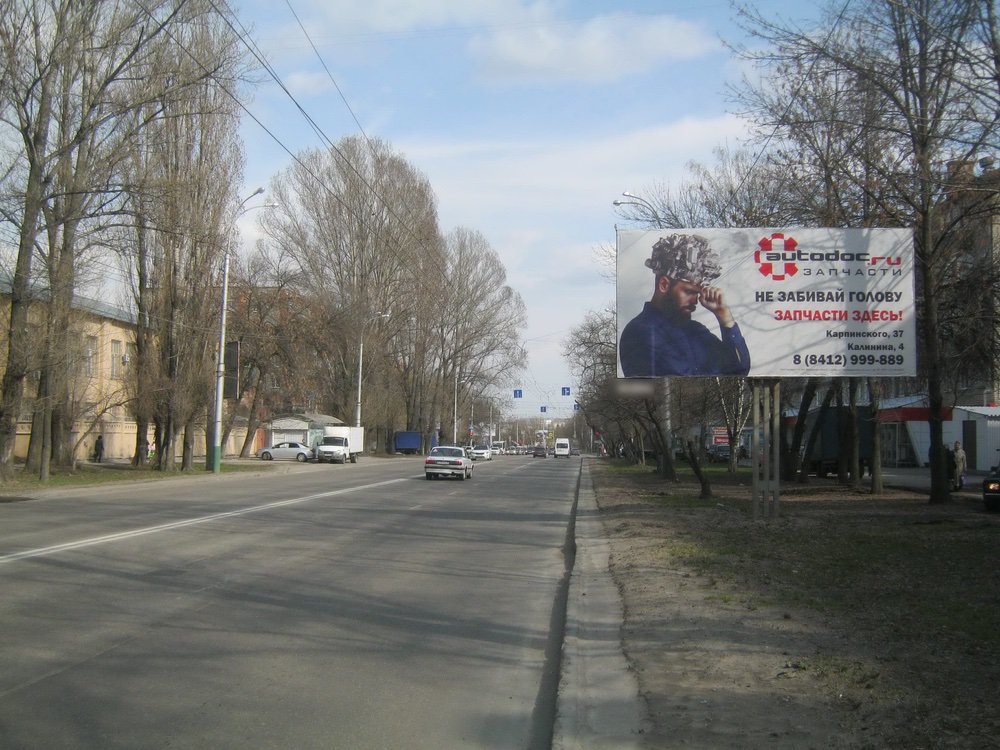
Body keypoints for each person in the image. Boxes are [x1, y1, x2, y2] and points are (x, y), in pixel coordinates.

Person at [619, 233, 751, 377]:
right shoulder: (639, 331)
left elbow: (739, 370)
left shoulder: (696, 330)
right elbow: (680, 379)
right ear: (664, 285)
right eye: (689, 292)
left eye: (698, 293)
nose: (695, 300)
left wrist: (725, 318)